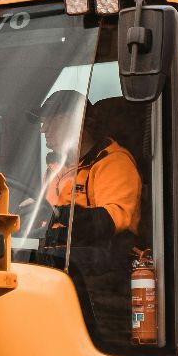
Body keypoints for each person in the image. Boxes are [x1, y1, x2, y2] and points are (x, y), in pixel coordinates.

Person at [32, 89, 143, 246]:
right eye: (44, 121)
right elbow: (46, 222)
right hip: (55, 256)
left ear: (77, 122)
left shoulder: (114, 163)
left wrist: (59, 215)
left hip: (99, 259)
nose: (43, 129)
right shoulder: (55, 169)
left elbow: (112, 221)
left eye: (52, 120)